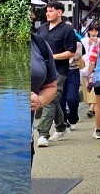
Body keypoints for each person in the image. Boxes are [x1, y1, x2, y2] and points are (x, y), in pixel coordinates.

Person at [36, 1, 79, 142]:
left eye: (51, 11)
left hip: (59, 70)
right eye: (47, 11)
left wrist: (52, 56)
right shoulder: (41, 29)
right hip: (42, 69)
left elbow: (71, 52)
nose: (47, 13)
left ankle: (43, 134)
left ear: (60, 12)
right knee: (53, 99)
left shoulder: (67, 30)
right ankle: (61, 127)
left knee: (49, 100)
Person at [32, 28, 59, 157]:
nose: (32, 15)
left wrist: (40, 100)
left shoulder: (39, 43)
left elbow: (51, 86)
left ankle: (44, 133)